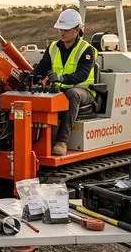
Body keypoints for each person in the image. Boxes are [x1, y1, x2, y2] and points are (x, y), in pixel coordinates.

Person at [31, 9, 97, 156]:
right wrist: (30, 77)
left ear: (77, 30)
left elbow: (82, 74)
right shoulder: (53, 47)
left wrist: (61, 78)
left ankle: (61, 141)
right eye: (60, 29)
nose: (62, 33)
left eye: (66, 30)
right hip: (59, 90)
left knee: (72, 94)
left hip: (84, 91)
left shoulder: (87, 50)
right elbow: (42, 68)